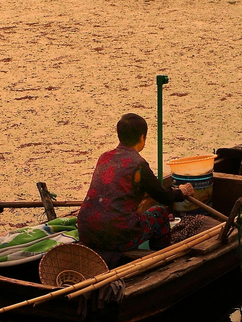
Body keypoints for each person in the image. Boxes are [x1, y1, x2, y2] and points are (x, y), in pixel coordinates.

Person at [77, 113, 195, 267]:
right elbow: (164, 197)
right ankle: (163, 261)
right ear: (142, 138)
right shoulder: (139, 166)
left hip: (86, 230)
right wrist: (182, 192)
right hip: (117, 235)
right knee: (159, 214)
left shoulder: (104, 158)